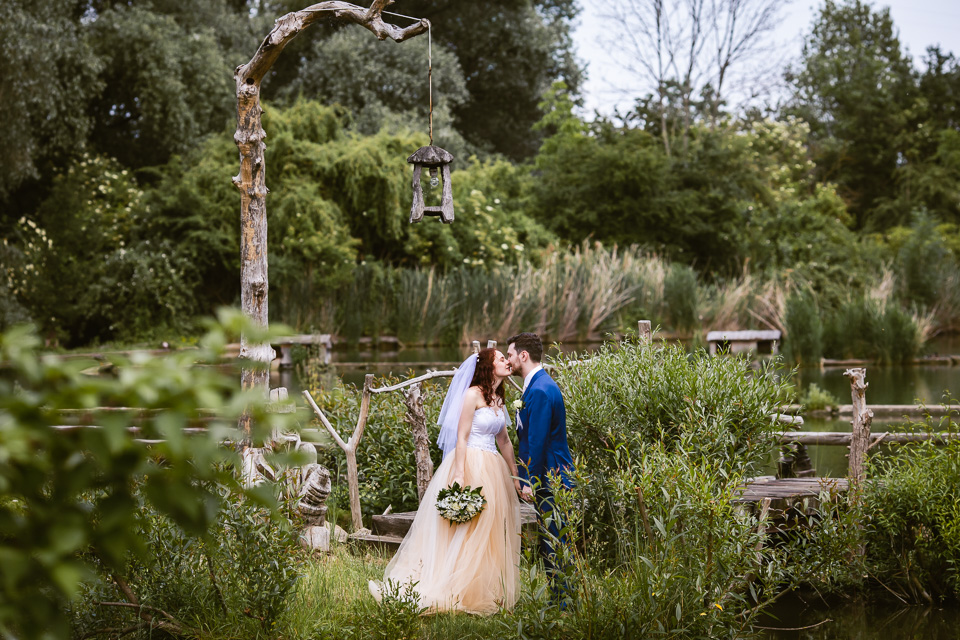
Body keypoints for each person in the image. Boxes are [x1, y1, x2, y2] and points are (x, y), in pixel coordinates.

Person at [369, 348, 522, 614]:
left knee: (489, 530)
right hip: (471, 463)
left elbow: (505, 441)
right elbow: (461, 437)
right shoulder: (472, 394)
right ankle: (450, 586)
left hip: (494, 468)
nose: (506, 361)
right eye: (500, 358)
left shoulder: (498, 398)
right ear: (488, 366)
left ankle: (481, 589)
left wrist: (515, 473)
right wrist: (459, 474)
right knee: (468, 527)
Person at [506, 332, 574, 592]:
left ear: (523, 355)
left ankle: (563, 600)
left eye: (510, 355)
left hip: (551, 476)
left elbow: (537, 441)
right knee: (550, 539)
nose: (508, 360)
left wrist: (529, 482)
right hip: (548, 475)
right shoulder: (537, 385)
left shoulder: (541, 390)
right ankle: (559, 598)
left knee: (555, 541)